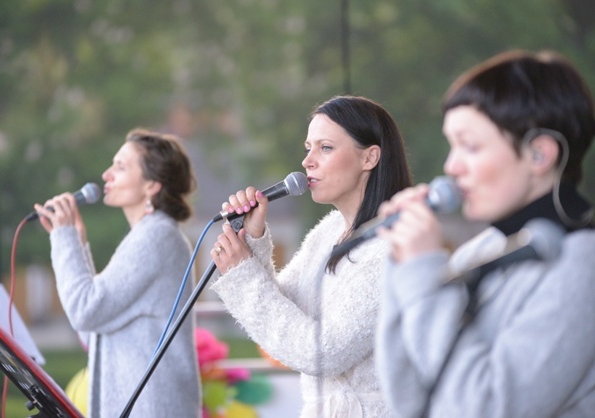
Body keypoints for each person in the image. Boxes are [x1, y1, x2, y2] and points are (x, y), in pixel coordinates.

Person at [375, 50, 595, 418]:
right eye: (451, 145)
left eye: (470, 146)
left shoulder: (583, 262)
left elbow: (484, 409)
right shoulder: (481, 250)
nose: (451, 166)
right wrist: (402, 263)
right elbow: (408, 401)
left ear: (539, 155)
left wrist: (423, 268)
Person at [209, 95, 412, 417]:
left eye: (325, 148)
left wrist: (243, 271)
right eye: (308, 148)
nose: (307, 162)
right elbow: (282, 310)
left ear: (370, 157)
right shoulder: (328, 232)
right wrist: (255, 239)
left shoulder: (391, 247)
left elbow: (322, 353)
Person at [34, 128, 201, 418]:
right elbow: (94, 326)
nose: (106, 174)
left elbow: (85, 310)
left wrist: (65, 238)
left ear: (152, 185)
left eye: (120, 167)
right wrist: (78, 244)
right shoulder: (150, 235)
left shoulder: (156, 237)